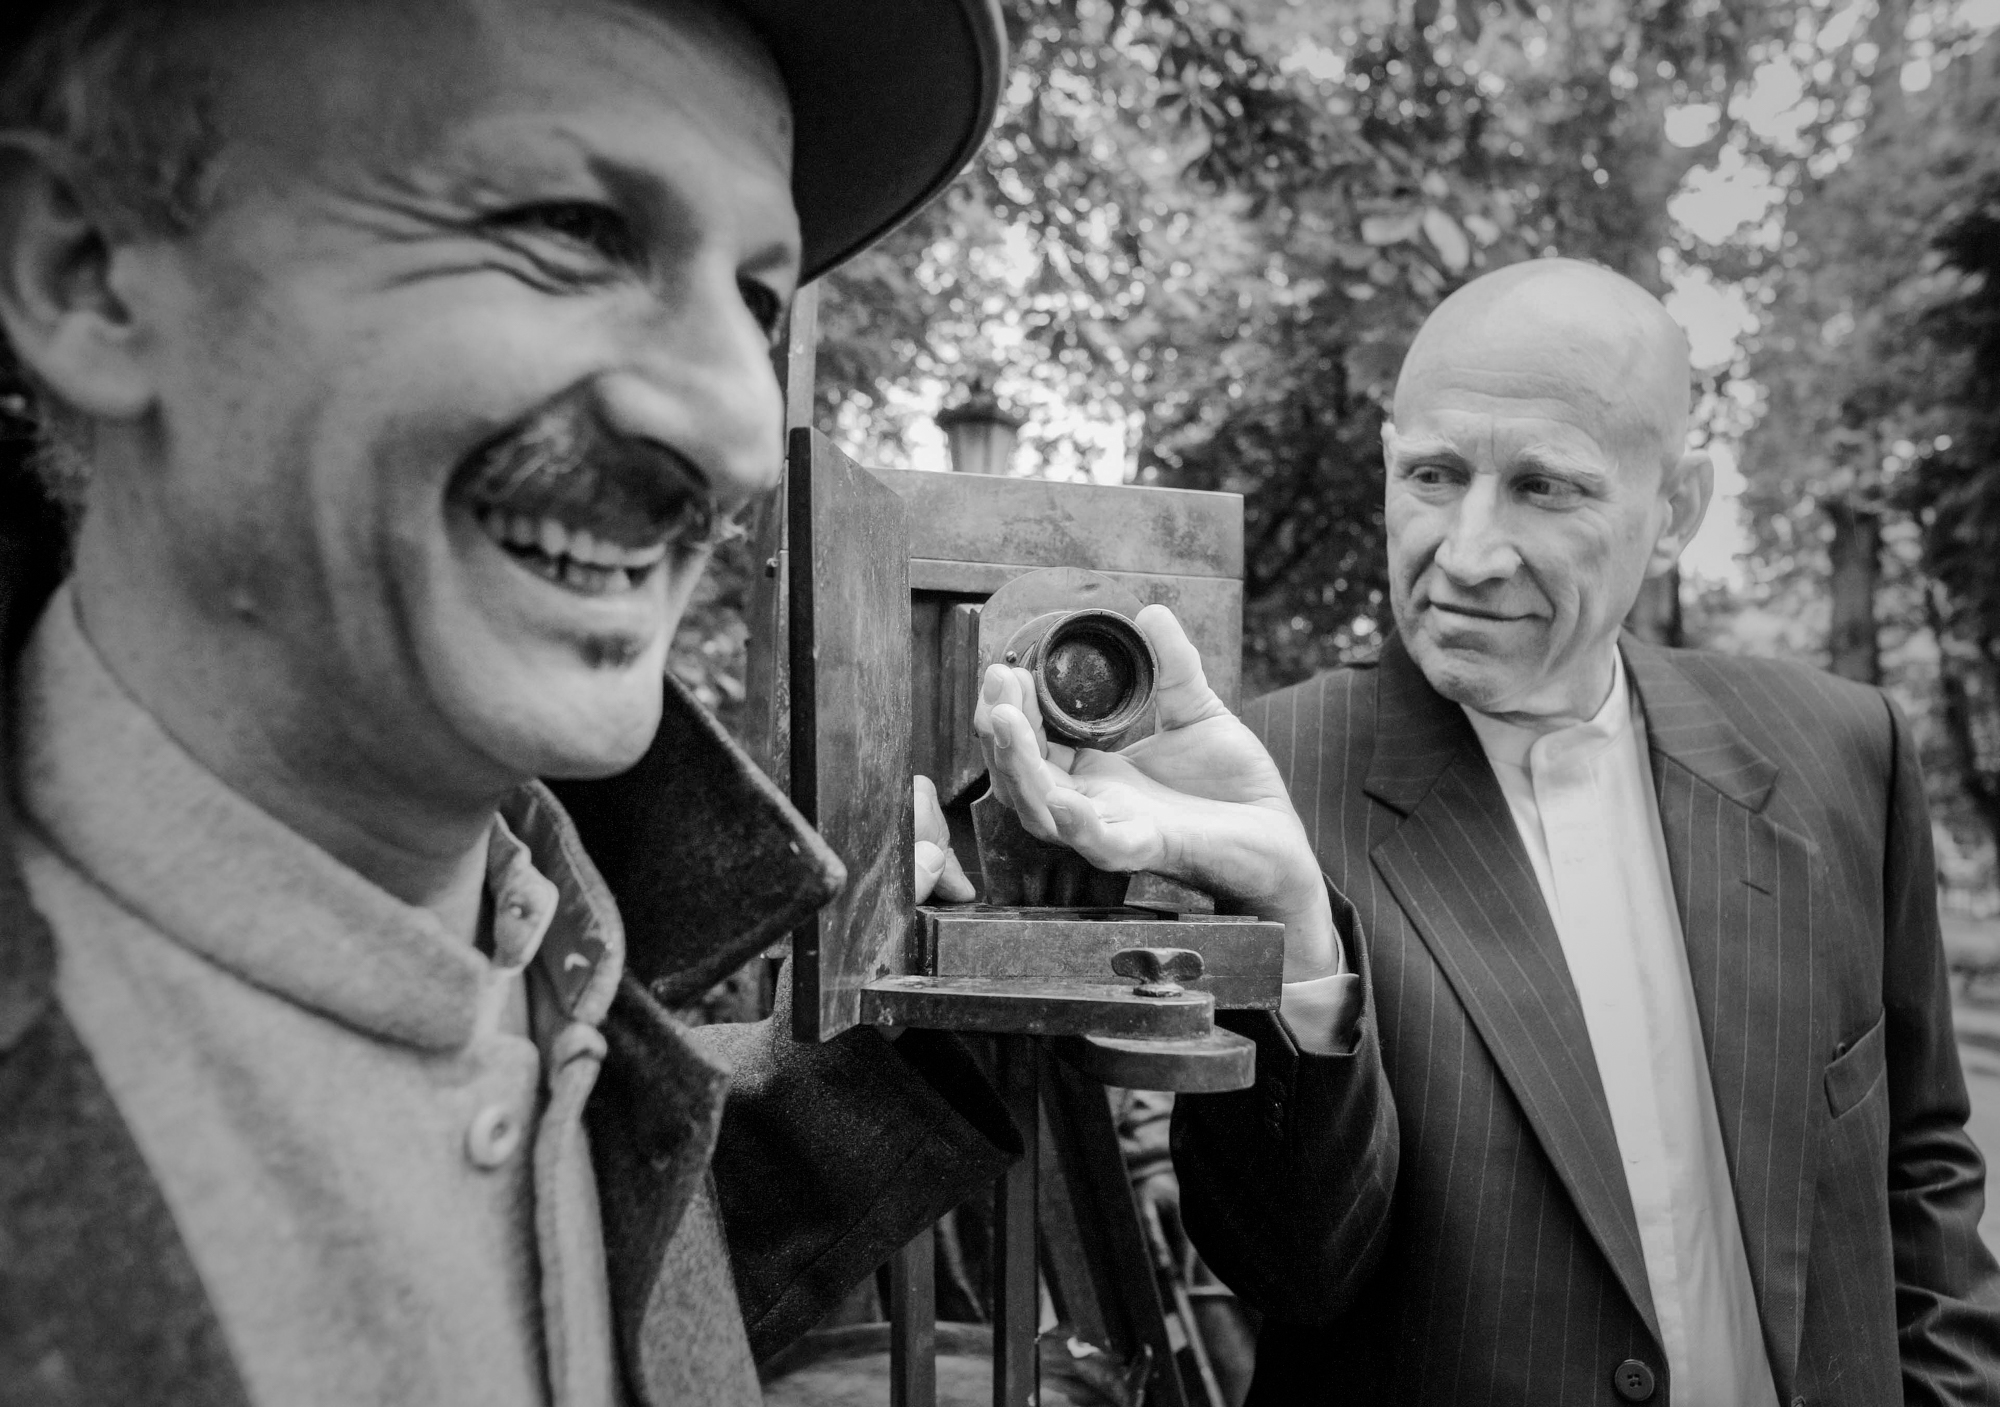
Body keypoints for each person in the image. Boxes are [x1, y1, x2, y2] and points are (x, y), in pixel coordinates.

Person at [0, 1, 1347, 1404]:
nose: (736, 433)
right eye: (572, 230)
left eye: (758, 303)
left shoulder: (554, 939)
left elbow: (610, 1266)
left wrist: (985, 960)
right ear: (91, 271)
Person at [1172, 258, 2000, 1406]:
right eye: (1432, 474)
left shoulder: (1841, 750)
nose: (1465, 552)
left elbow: (1923, 1169)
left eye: (1542, 488)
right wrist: (1303, 952)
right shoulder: (1265, 783)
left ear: (1676, 511)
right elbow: (1287, 1273)